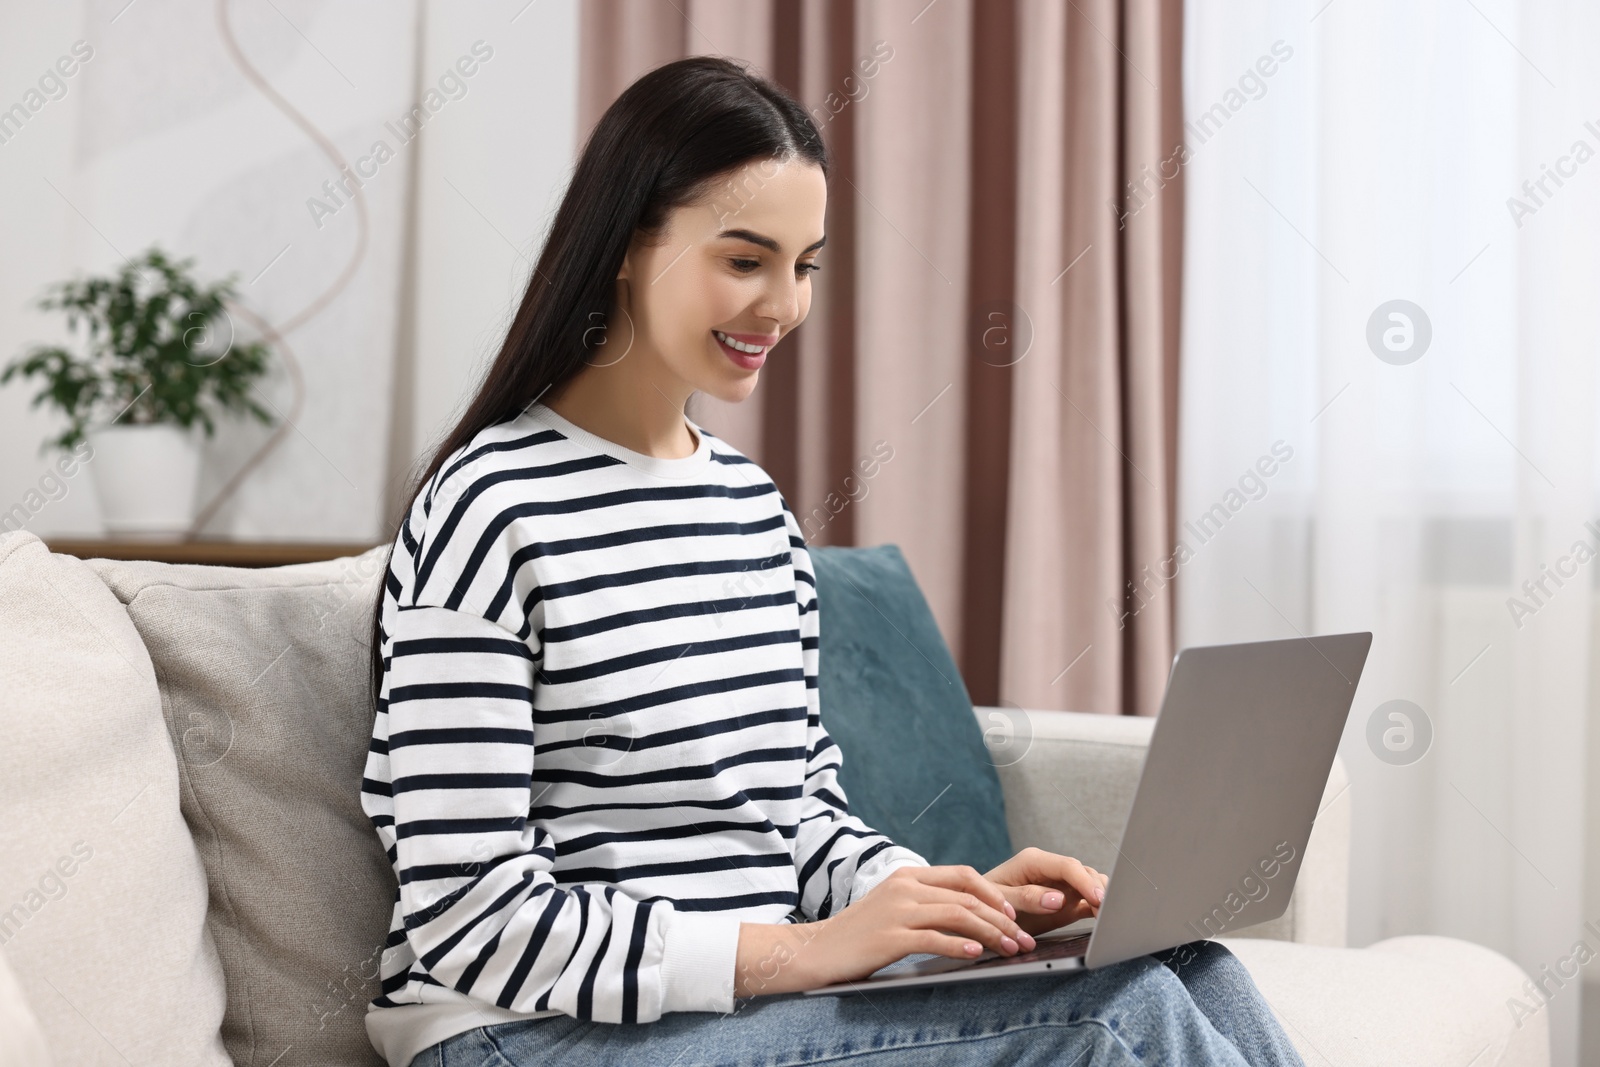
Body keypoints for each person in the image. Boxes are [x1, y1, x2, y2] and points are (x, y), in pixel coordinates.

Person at [359, 55, 1304, 1067]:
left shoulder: (751, 510)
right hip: (527, 1032)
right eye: (743, 258)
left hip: (741, 1008)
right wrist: (805, 952)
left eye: (804, 265)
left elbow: (796, 813)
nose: (780, 305)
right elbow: (469, 914)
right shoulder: (489, 507)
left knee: (1190, 964)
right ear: (629, 245)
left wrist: (944, 900)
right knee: (1116, 1019)